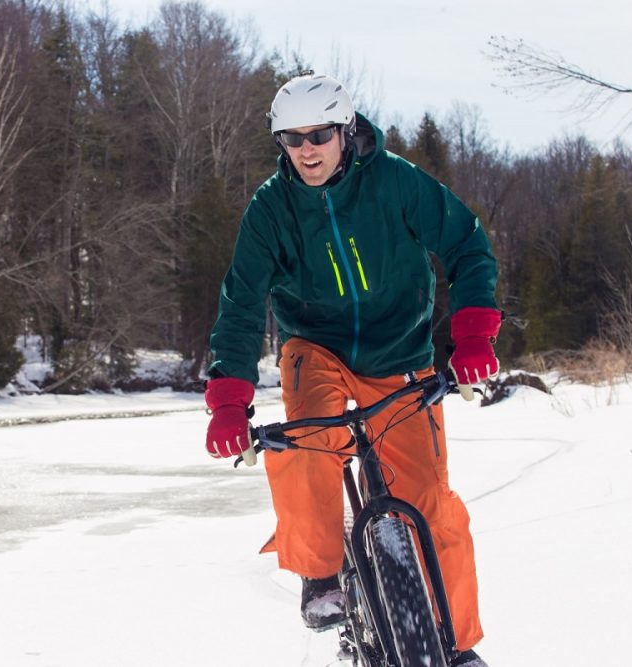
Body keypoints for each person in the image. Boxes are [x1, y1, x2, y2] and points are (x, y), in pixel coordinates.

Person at [203, 72, 500, 667]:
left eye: (318, 135)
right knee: (312, 439)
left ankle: (457, 645)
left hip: (402, 354)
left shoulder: (396, 183)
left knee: (431, 509)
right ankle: (322, 574)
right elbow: (241, 303)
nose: (306, 150)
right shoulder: (270, 209)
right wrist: (228, 399)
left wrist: (470, 337)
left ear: (345, 131)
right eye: (292, 139)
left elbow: (468, 244)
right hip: (316, 348)